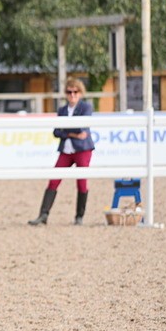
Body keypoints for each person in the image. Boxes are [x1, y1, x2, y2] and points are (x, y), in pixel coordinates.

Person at [28, 78, 95, 226]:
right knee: (54, 179)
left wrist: (68, 131)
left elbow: (81, 128)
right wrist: (72, 134)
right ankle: (43, 215)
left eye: (75, 92)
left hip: (82, 149)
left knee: (82, 182)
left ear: (80, 93)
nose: (72, 95)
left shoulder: (86, 107)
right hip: (66, 149)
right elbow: (57, 132)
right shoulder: (62, 110)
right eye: (69, 92)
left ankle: (79, 216)